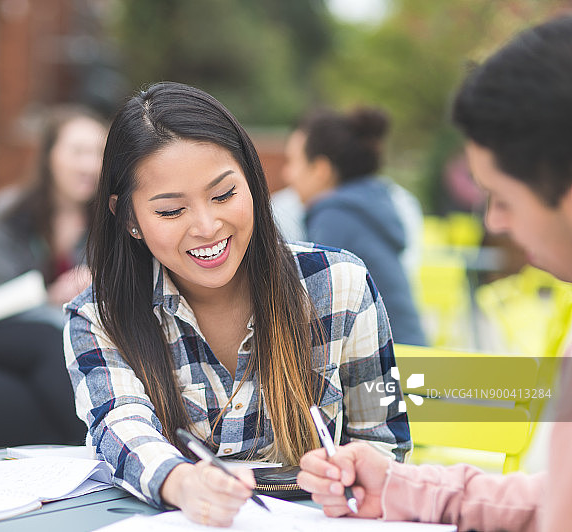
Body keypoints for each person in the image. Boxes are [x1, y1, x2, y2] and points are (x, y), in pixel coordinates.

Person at [64, 81, 411, 527]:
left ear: (252, 181)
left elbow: (383, 441)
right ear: (129, 217)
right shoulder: (98, 317)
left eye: (224, 195)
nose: (207, 226)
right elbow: (121, 426)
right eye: (171, 211)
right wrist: (183, 483)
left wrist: (353, 476)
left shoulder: (339, 285)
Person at [298, 14, 572, 532]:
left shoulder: (330, 218)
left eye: (503, 197)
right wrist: (404, 487)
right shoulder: (384, 203)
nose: (495, 221)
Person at [0, 105, 107, 447]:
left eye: (99, 154)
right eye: (78, 152)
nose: (90, 165)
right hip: (19, 327)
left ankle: (62, 455)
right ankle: (88, 446)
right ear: (49, 155)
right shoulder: (10, 212)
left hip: (83, 335)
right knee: (51, 342)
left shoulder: (114, 220)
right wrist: (52, 295)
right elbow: (4, 291)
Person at [283, 107, 426, 346]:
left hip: (386, 366)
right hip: (414, 356)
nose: (288, 174)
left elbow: (315, 318)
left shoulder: (334, 218)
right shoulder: (370, 204)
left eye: (293, 162)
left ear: (320, 170)